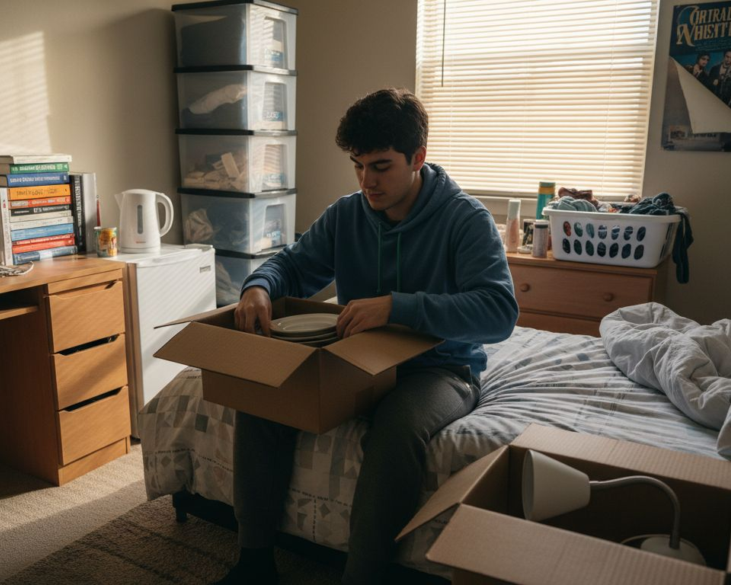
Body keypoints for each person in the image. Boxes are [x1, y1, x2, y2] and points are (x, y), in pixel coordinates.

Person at [214, 88, 518, 585]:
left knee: (396, 433)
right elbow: (294, 264)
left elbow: (499, 313)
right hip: (356, 360)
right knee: (263, 396)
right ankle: (254, 562)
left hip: (438, 368)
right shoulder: (347, 214)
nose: (366, 181)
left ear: (417, 158)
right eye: (357, 166)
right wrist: (258, 287)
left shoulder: (466, 220)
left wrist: (398, 307)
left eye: (380, 166)